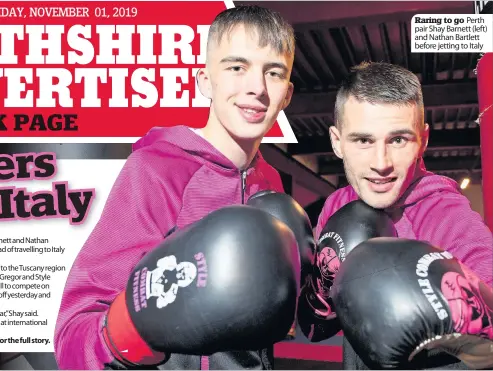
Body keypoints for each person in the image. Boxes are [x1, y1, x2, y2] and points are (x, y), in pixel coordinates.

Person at [54, 5, 296, 370]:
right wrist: (128, 334)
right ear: (204, 81)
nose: (256, 88)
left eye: (273, 72)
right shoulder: (155, 171)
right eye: (236, 67)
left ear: (288, 94)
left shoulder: (272, 184)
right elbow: (74, 333)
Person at [303, 61, 493, 369]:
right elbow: (315, 325)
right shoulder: (337, 205)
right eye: (363, 140)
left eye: (398, 139)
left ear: (423, 141)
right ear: (337, 142)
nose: (382, 163)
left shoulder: (446, 214)